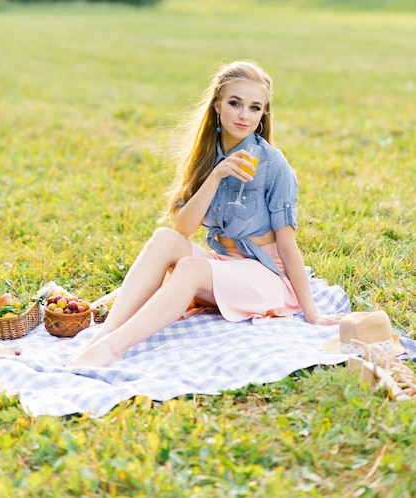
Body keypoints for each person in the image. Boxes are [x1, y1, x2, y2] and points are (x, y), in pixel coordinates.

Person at [66, 60, 344, 368]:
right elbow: (182, 229)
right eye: (235, 103)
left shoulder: (273, 165)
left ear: (264, 114)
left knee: (190, 268)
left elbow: (288, 246)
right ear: (217, 105)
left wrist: (312, 312)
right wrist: (215, 176)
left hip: (268, 278)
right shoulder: (206, 157)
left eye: (254, 108)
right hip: (228, 266)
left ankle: (113, 349)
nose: (243, 115)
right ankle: (103, 335)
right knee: (164, 239)